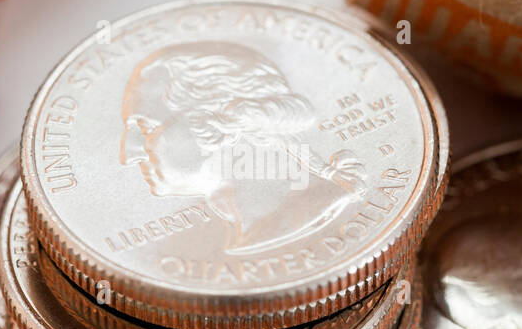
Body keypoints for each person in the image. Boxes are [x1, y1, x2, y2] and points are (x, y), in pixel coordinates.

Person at [120, 42, 366, 255]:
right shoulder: (258, 231)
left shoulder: (299, 215)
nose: (128, 155)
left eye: (146, 127)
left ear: (216, 120)